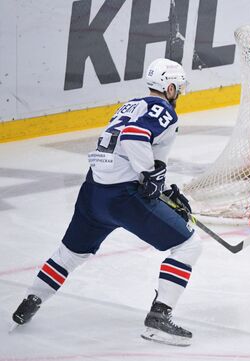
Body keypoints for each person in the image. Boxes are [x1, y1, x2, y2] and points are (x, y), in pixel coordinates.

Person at [11, 58, 201, 347]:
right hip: (123, 197)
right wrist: (149, 175)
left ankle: (32, 299)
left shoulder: (131, 105)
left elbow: (132, 147)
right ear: (170, 87)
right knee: (188, 245)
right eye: (179, 88)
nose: (180, 95)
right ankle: (159, 319)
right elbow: (134, 136)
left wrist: (159, 186)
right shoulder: (163, 109)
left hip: (93, 193)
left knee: (69, 254)